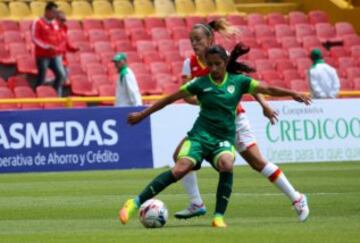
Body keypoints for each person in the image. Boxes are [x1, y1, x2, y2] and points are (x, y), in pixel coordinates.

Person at [119, 43, 311, 228]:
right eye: (210, 64)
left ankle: (218, 217)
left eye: (217, 64)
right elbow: (170, 99)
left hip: (223, 139)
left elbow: (267, 89)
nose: (213, 68)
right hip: (199, 136)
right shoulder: (200, 84)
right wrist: (142, 115)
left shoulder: (239, 82)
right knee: (179, 169)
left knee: (227, 163)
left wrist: (293, 93)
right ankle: (134, 203)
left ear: (225, 63)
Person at [174, 19, 310, 222]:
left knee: (258, 163)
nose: (194, 44)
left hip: (234, 120)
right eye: (191, 40)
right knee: (179, 156)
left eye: (198, 39)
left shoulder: (222, 58)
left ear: (210, 38)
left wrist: (264, 105)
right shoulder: (189, 63)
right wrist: (207, 101)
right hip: (210, 123)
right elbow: (184, 95)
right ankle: (196, 203)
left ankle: (297, 198)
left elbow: (247, 84)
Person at [31, 1, 66, 96]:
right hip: (42, 55)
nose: (55, 14)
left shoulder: (55, 22)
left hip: (54, 55)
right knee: (41, 77)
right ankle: (37, 95)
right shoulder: (38, 22)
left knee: (61, 75)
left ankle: (55, 95)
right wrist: (46, 47)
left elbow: (58, 36)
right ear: (47, 11)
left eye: (56, 12)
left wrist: (58, 48)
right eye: (54, 12)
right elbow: (34, 38)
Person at [56, 10, 79, 85]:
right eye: (62, 20)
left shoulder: (64, 29)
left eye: (64, 20)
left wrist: (74, 49)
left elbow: (66, 44)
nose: (64, 22)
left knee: (64, 80)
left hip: (63, 59)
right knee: (62, 79)